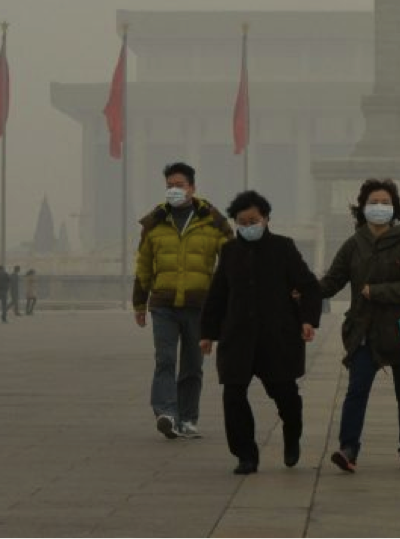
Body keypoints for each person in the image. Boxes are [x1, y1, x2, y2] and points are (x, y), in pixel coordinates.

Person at [199, 190, 322, 475]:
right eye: (242, 222)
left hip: (277, 337)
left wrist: (307, 320)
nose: (248, 226)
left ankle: (292, 434)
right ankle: (245, 455)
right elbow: (217, 295)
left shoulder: (283, 247)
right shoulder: (229, 252)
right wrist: (207, 333)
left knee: (286, 396)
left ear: (266, 218)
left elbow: (308, 286)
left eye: (253, 220)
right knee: (233, 396)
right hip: (238, 337)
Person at [318, 179, 400, 473]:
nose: (380, 207)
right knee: (356, 390)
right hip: (365, 330)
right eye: (374, 202)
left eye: (385, 202)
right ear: (363, 207)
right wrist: (302, 291)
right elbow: (332, 282)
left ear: (394, 208)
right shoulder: (354, 244)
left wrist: (376, 291)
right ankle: (348, 448)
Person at [132, 162, 233, 440]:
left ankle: (188, 418)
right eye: (169, 186)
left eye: (179, 185)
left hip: (198, 305)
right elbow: (143, 265)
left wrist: (225, 303)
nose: (174, 190)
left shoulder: (213, 221)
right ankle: (166, 413)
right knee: (164, 359)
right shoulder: (155, 221)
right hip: (163, 303)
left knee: (192, 365)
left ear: (192, 188)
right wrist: (140, 304)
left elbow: (230, 262)